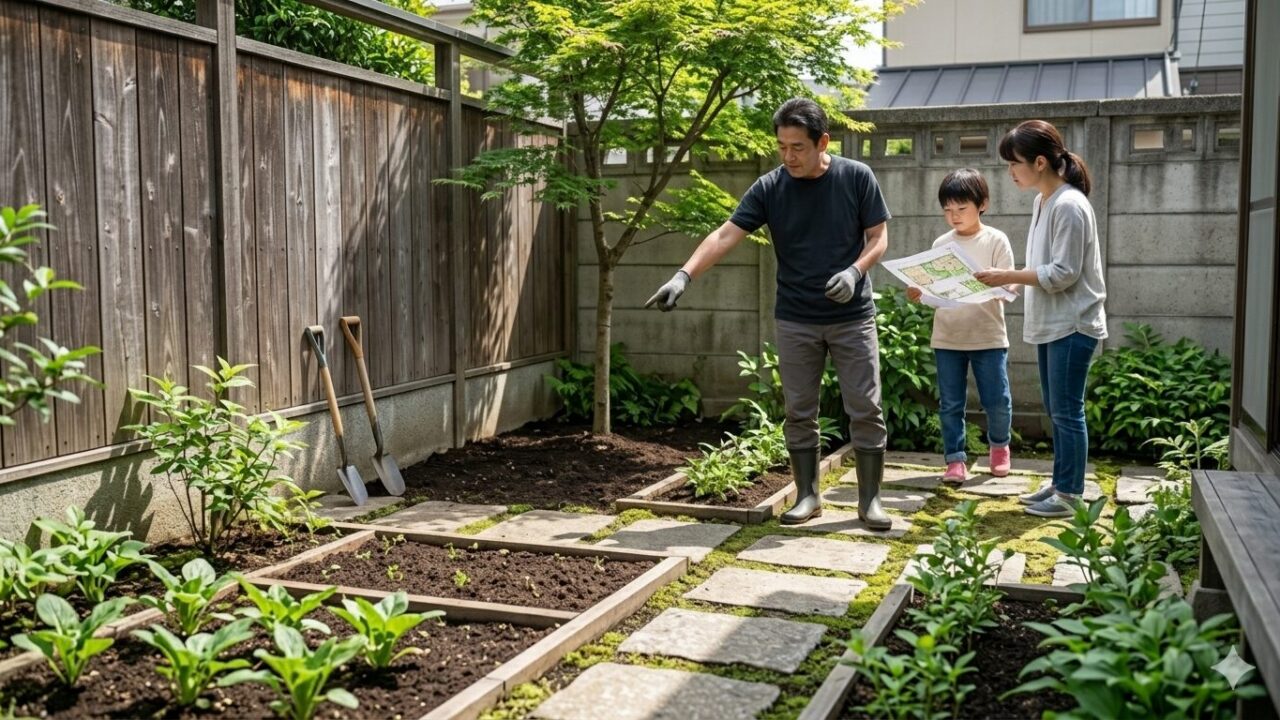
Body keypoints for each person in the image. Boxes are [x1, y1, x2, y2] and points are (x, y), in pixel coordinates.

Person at [645, 97, 893, 530]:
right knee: (799, 410)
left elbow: (879, 237)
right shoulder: (770, 187)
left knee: (865, 407)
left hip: (852, 316)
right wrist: (684, 276)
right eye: (781, 146)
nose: (788, 156)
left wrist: (855, 272)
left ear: (823, 143)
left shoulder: (856, 177)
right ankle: (808, 495)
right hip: (795, 317)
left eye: (797, 147)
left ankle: (870, 501)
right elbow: (726, 234)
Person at [974, 119, 1107, 518]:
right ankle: (1062, 482)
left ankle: (1070, 495)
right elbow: (1044, 267)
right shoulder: (1043, 201)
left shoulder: (1069, 205)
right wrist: (1010, 283)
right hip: (1055, 322)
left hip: (1073, 323)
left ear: (1039, 162)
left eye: (1014, 163)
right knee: (1058, 410)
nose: (1010, 172)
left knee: (1067, 411)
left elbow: (1064, 273)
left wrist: (1008, 276)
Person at [906, 168, 1015, 485]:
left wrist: (997, 285)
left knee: (997, 400)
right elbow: (936, 293)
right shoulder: (942, 242)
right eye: (947, 210)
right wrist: (920, 294)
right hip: (948, 336)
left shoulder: (996, 240)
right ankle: (955, 460)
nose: (954, 216)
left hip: (988, 336)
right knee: (950, 404)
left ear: (983, 204)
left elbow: (1010, 285)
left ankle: (999, 447)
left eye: (961, 208)